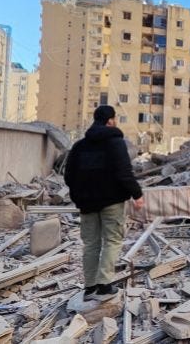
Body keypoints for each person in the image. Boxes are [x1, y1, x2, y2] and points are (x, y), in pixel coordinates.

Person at [65, 105, 144, 301]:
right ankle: (104, 284)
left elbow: (68, 176)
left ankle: (90, 287)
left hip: (86, 204)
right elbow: (124, 172)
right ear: (110, 120)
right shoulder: (116, 143)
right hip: (112, 202)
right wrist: (137, 194)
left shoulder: (80, 146)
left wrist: (79, 195)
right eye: (114, 118)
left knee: (91, 244)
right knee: (112, 241)